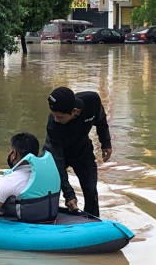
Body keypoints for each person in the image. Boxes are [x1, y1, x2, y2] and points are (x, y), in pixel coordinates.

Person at [44, 86, 112, 217]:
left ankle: (93, 221)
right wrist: (69, 194)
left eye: (60, 117)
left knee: (91, 192)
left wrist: (106, 143)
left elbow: (101, 120)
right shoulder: (53, 125)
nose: (56, 119)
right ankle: (47, 217)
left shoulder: (92, 101)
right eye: (53, 115)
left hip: (82, 151)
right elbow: (58, 161)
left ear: (75, 111)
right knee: (49, 187)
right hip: (57, 153)